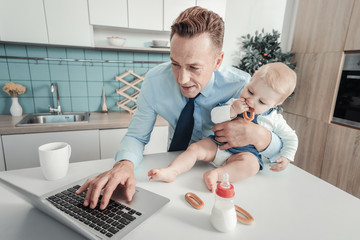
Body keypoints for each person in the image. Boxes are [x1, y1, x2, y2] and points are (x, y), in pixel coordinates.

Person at [76, 6, 283, 210]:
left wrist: (259, 135)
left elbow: (278, 147)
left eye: (194, 67)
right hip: (174, 172)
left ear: (218, 61)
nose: (182, 79)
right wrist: (124, 164)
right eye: (175, 63)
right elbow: (137, 136)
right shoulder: (155, 82)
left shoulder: (243, 87)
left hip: (224, 178)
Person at [148, 62, 298, 192]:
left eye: (262, 102)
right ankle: (172, 171)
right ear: (250, 81)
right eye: (250, 91)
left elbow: (291, 138)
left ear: (275, 104)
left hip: (242, 155)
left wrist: (286, 157)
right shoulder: (235, 102)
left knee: (251, 166)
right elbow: (215, 116)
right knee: (195, 149)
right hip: (217, 144)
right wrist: (232, 110)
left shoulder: (275, 119)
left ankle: (217, 175)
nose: (251, 101)